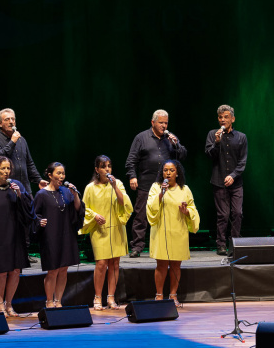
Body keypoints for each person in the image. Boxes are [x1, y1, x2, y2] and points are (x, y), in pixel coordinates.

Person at [125, 110, 187, 257]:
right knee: (141, 216)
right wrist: (132, 176)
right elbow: (131, 160)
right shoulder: (141, 138)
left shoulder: (170, 139)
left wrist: (177, 145)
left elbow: (183, 156)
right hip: (146, 183)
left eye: (166, 123)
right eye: (161, 123)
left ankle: (168, 244)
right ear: (153, 122)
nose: (164, 126)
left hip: (167, 185)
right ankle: (137, 246)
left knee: (169, 214)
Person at [0, 156, 34, 317]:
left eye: (8, 168)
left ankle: (9, 304)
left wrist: (19, 194)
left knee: (15, 270)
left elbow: (28, 210)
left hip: (16, 235)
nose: (6, 171)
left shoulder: (17, 186)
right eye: (3, 168)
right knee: (1, 271)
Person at [80, 155, 133, 310]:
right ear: (97, 169)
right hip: (100, 229)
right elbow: (84, 208)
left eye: (109, 166)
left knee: (115, 263)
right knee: (102, 263)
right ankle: (97, 297)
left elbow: (125, 203)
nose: (107, 169)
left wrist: (115, 186)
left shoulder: (118, 184)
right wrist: (94, 215)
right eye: (103, 166)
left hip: (116, 228)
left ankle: (111, 297)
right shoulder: (90, 188)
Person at [146, 160, 199, 307]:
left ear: (177, 173)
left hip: (178, 231)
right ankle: (159, 295)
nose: (168, 173)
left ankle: (173, 295)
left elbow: (193, 209)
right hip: (161, 231)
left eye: (171, 170)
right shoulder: (156, 187)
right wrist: (161, 194)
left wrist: (186, 211)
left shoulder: (184, 189)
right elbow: (150, 207)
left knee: (176, 265)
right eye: (165, 170)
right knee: (161, 265)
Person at [32, 162, 85, 308]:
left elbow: (78, 209)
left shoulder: (66, 192)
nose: (62, 176)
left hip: (66, 234)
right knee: (53, 270)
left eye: (63, 173)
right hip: (50, 236)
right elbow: (34, 214)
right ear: (50, 175)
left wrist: (75, 195)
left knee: (63, 269)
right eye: (58, 173)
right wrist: (39, 221)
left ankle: (58, 301)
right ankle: (49, 301)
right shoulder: (41, 194)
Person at [205, 105, 247, 256]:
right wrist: (217, 142)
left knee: (237, 213)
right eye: (220, 117)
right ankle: (221, 244)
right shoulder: (212, 134)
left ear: (232, 119)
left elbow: (242, 162)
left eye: (226, 117)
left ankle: (235, 243)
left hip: (236, 182)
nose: (223, 120)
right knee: (223, 215)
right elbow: (209, 155)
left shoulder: (241, 137)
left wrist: (233, 175)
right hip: (219, 181)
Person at [0, 108, 45, 195]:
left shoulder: (21, 140)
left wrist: (38, 180)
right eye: (7, 119)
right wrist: (12, 142)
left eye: (13, 119)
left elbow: (29, 164)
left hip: (25, 190)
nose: (11, 122)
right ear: (0, 123)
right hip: (6, 190)